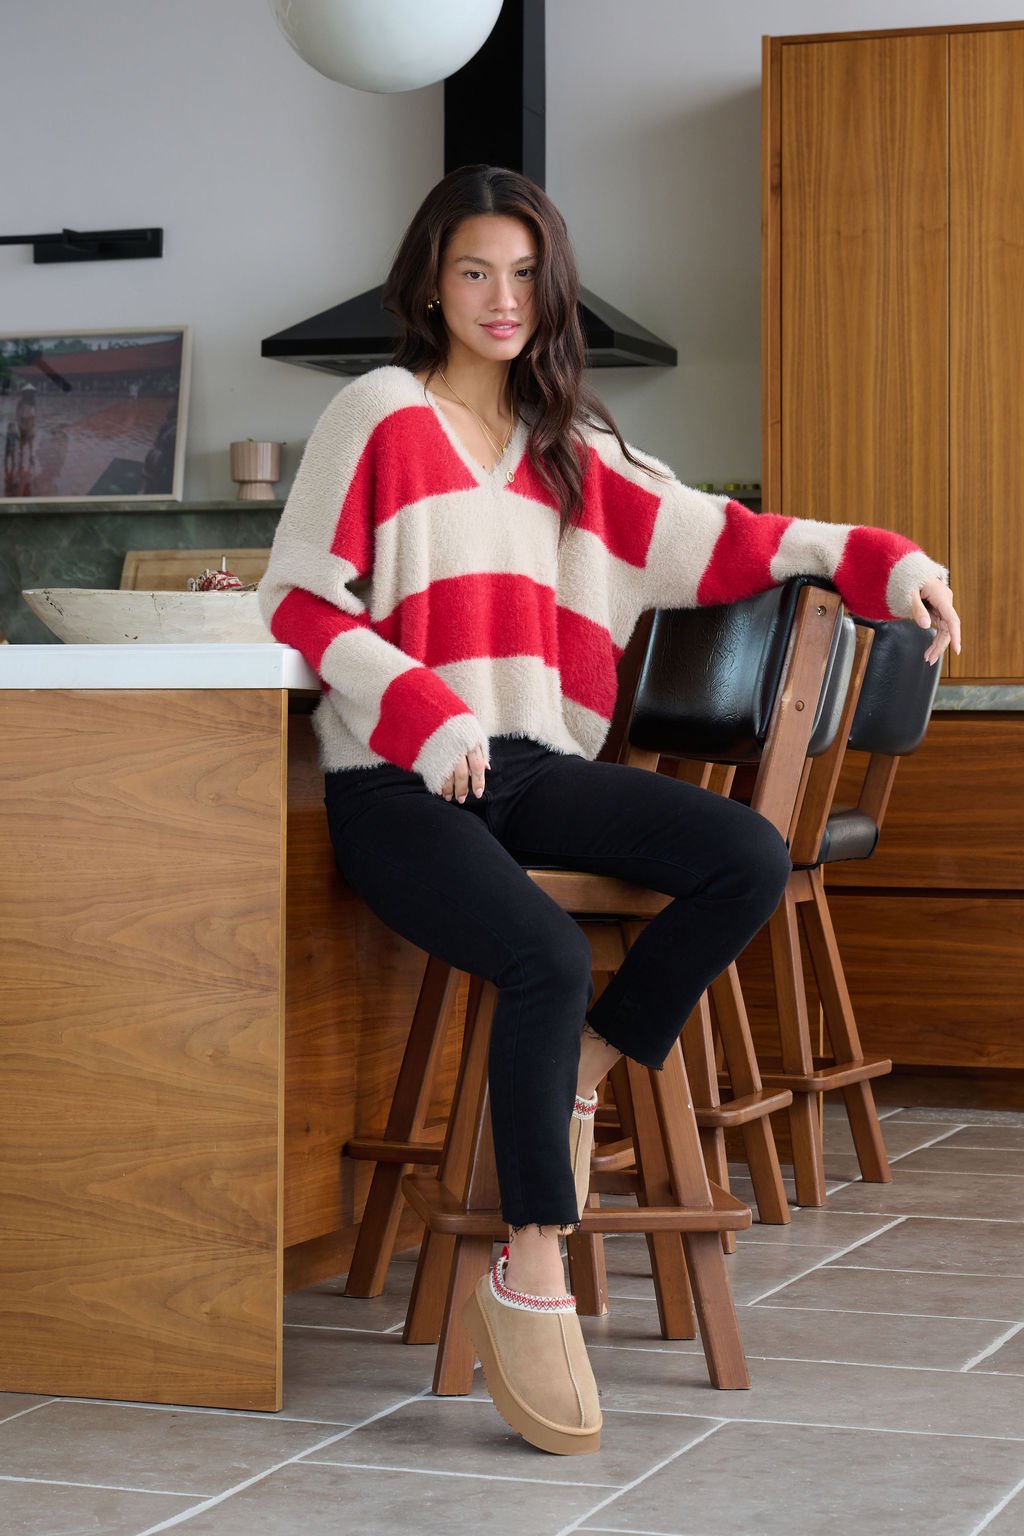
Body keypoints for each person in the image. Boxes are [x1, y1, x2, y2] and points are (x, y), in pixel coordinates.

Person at [259, 164, 960, 1457]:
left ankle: (581, 1071)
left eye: (526, 275)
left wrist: (881, 559)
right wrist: (422, 708)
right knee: (541, 951)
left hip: (524, 766)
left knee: (744, 855)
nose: (502, 298)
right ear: (430, 285)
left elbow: (729, 536)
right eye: (476, 271)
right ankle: (531, 1264)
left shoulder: (570, 448)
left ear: (554, 288)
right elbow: (297, 602)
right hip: (396, 780)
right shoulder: (378, 413)